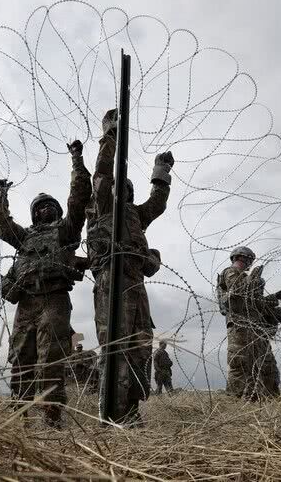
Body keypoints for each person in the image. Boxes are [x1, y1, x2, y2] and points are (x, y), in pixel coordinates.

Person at [0, 139, 91, 427]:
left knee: (51, 360)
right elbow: (0, 225)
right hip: (26, 303)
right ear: (34, 214)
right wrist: (0, 194)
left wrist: (77, 160)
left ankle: (52, 419)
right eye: (40, 207)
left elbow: (78, 200)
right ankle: (19, 418)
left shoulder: (65, 232)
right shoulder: (25, 237)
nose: (46, 209)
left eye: (50, 206)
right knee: (21, 361)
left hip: (54, 300)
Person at [86, 108, 174, 424]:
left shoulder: (135, 214)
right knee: (115, 345)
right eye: (117, 187)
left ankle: (132, 411)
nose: (121, 191)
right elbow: (101, 174)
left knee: (140, 347)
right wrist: (110, 136)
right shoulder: (104, 209)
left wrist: (161, 170)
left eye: (127, 189)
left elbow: (158, 203)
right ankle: (112, 413)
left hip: (136, 285)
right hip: (112, 282)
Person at [218, 246, 281, 400]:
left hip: (256, 329)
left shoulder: (248, 279)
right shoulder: (230, 272)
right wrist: (254, 278)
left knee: (266, 365)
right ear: (239, 257)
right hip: (240, 328)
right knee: (241, 364)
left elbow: (259, 306)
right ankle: (236, 400)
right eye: (248, 260)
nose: (249, 263)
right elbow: (238, 292)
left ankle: (267, 398)